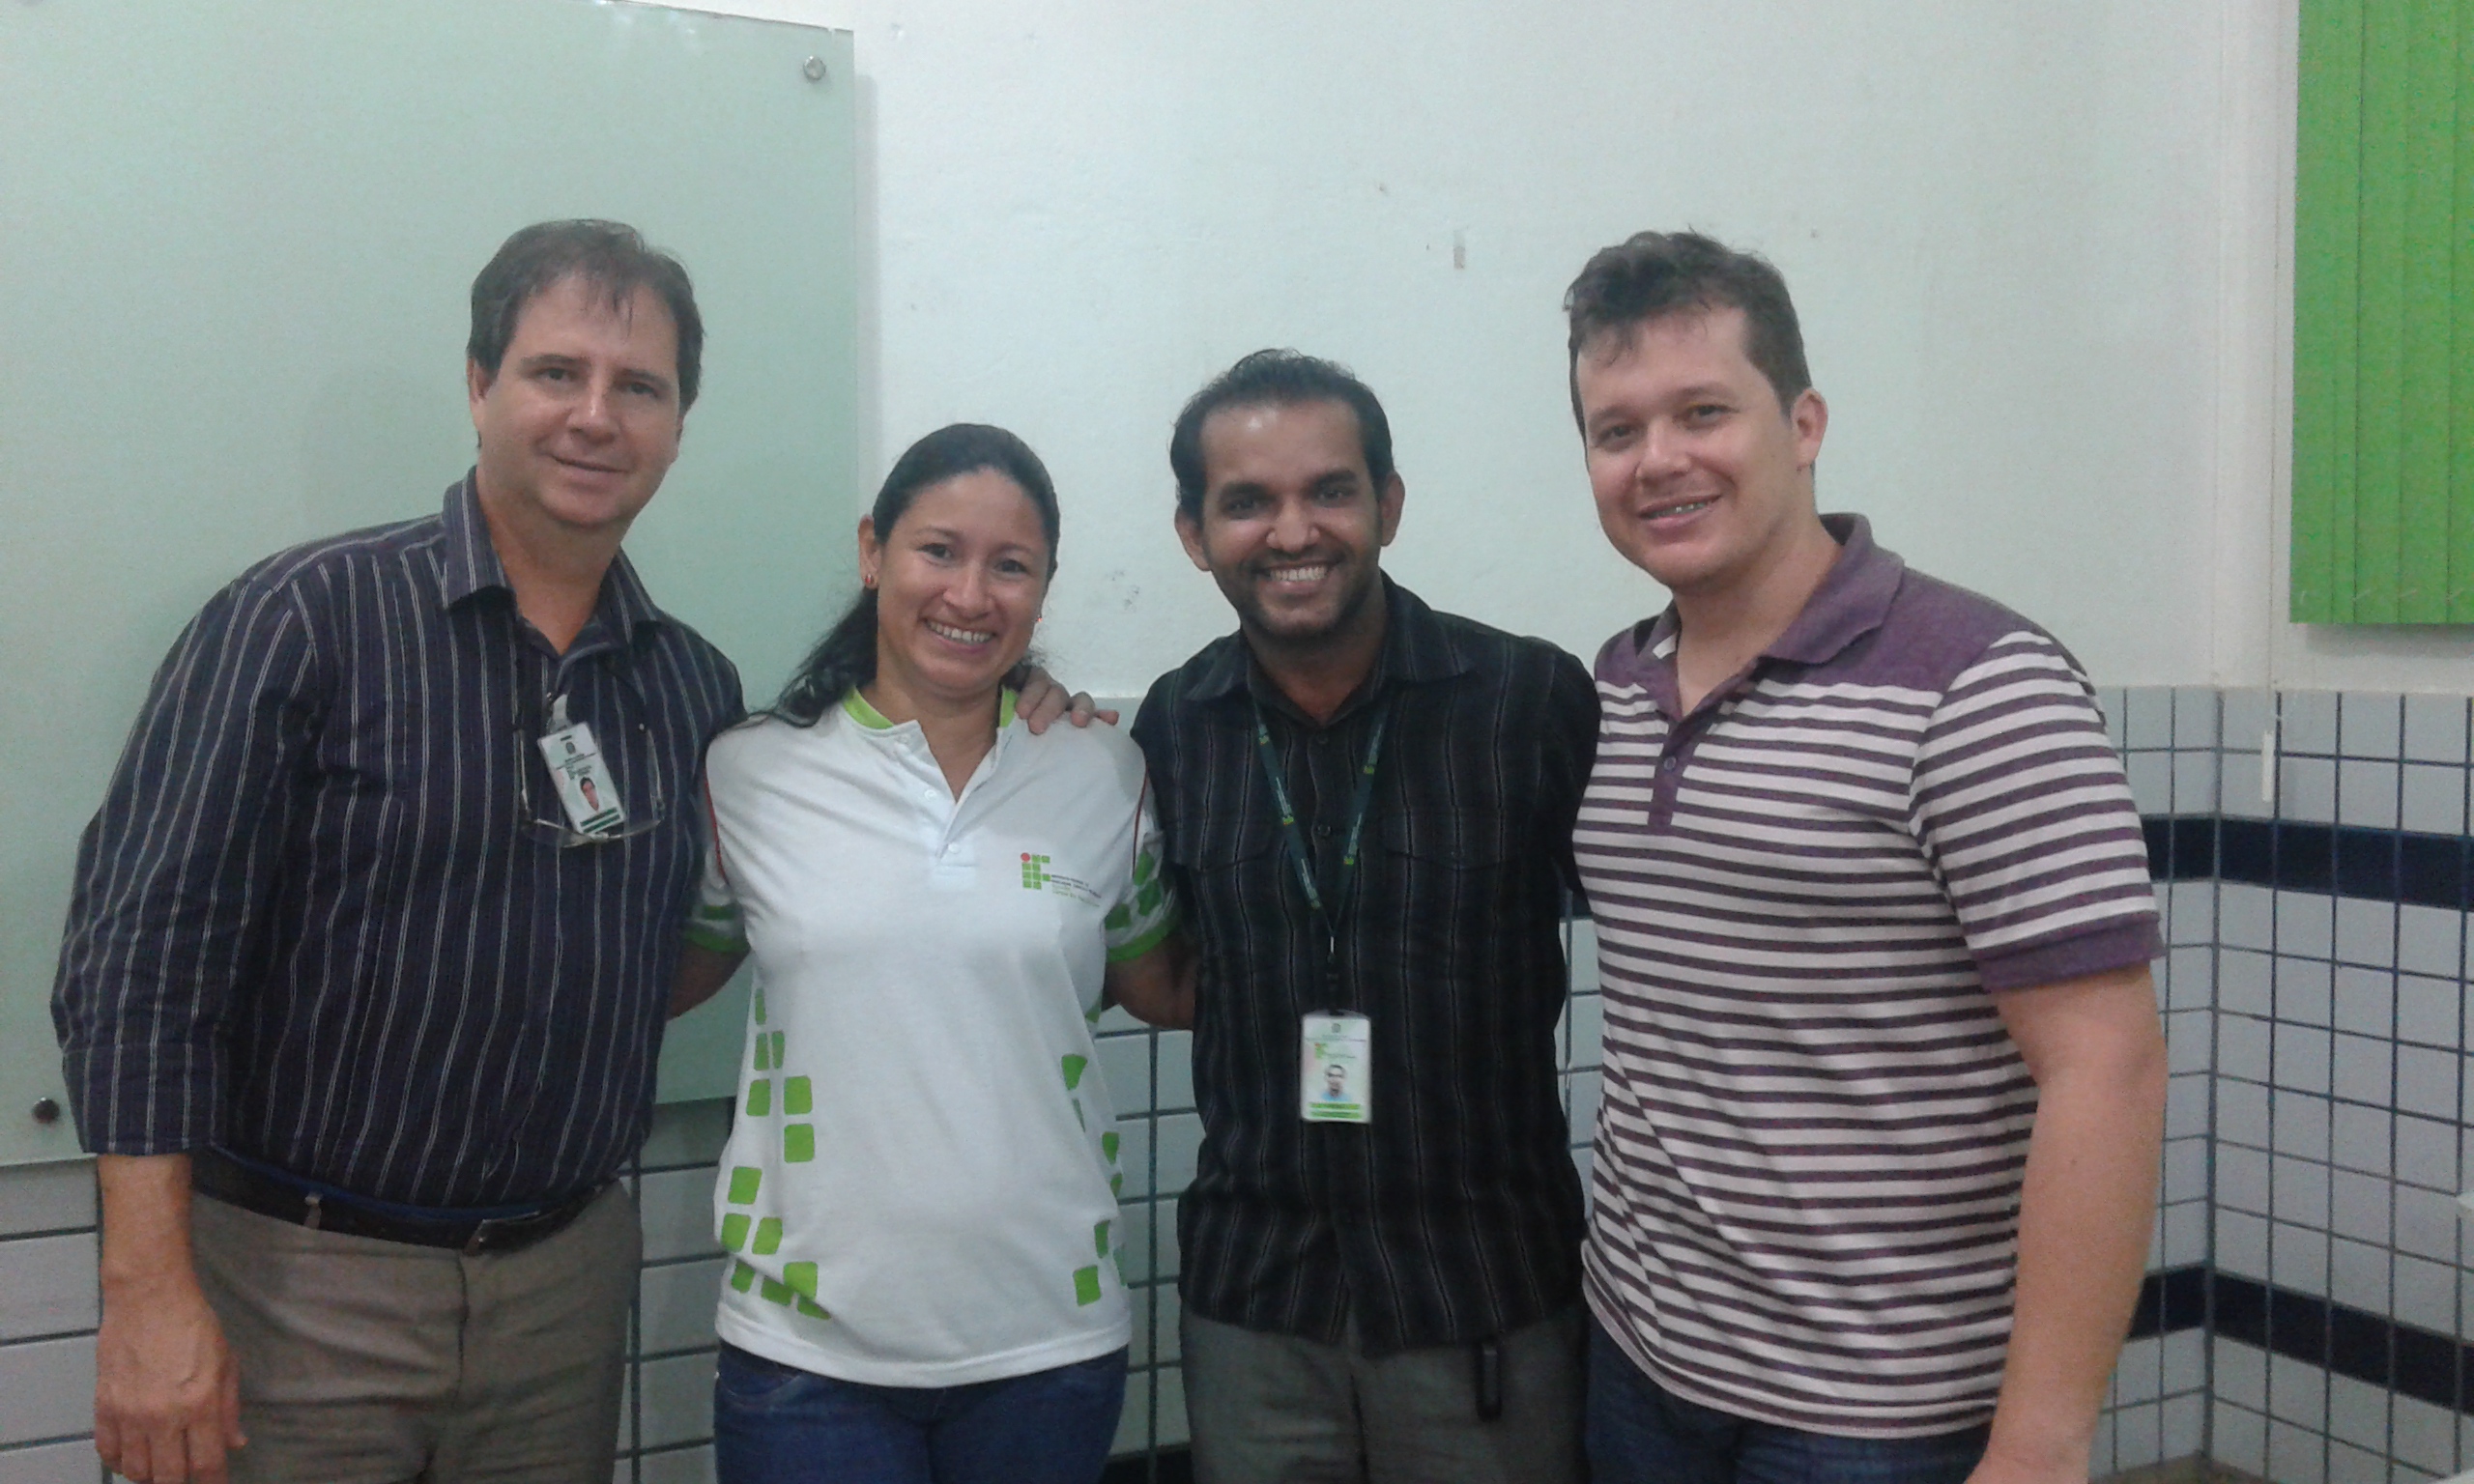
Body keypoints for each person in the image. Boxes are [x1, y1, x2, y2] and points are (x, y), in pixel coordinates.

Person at [49, 222, 1090, 1484]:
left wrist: (1032, 708)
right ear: (479, 384)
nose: (596, 416)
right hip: (299, 1282)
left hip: (563, 1289)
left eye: (638, 386)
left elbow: (685, 944)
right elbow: (138, 965)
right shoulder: (302, 621)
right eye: (557, 372)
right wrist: (148, 1295)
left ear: (677, 425)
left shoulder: (689, 688)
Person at [1561, 230, 2168, 1484]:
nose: (1658, 459)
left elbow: (2104, 1070)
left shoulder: (1979, 684)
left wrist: (2042, 1441)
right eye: (1617, 430)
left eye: (1702, 412)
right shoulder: (1613, 688)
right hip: (1639, 1362)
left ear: (1804, 425)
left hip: (1875, 1412)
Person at [673, 424, 1194, 1484]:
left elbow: (1162, 987)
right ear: (873, 552)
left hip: (1049, 1341)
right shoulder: (748, 773)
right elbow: (662, 980)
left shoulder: (1103, 771)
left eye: (1011, 566)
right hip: (807, 1352)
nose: (970, 594)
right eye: (938, 551)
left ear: (1044, 590)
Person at [1133, 350, 1598, 1483]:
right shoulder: (1173, 727)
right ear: (1194, 533)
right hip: (1257, 1303)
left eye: (1330, 491)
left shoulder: (1529, 702)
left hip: (1483, 1292)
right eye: (1248, 501)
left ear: (1387, 504)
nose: (1293, 532)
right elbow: (1161, 964)